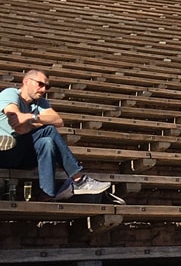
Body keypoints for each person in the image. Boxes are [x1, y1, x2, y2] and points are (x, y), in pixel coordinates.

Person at [0, 70, 112, 200]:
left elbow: (58, 120)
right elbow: (16, 120)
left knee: (47, 142)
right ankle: (79, 180)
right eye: (40, 84)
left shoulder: (40, 102)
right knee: (48, 131)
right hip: (4, 153)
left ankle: (47, 194)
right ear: (26, 82)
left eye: (47, 87)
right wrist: (33, 123)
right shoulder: (11, 93)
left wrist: (31, 117)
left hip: (23, 156)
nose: (43, 90)